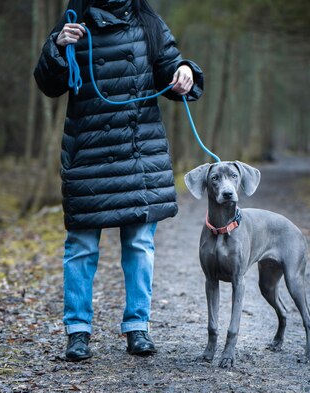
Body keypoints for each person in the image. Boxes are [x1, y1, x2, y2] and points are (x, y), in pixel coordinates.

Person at [34, 0, 203, 361]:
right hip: (87, 154)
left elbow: (172, 73)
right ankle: (77, 332)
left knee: (140, 244)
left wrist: (186, 72)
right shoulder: (73, 24)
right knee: (80, 247)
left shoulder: (150, 24)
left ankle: (137, 328)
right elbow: (48, 84)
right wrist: (58, 47)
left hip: (139, 153)